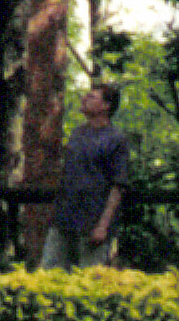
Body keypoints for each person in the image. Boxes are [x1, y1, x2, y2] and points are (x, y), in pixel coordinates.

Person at [37, 82, 128, 266]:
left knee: (89, 276)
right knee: (50, 271)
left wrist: (103, 226)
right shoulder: (77, 134)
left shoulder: (115, 139)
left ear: (106, 106)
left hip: (92, 222)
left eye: (92, 96)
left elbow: (118, 185)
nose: (84, 99)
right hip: (64, 219)